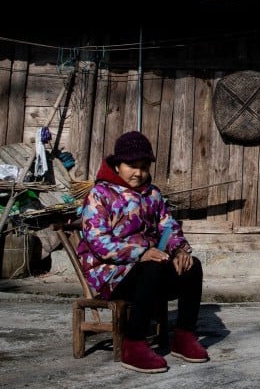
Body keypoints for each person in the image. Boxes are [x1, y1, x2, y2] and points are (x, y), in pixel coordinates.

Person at [77, 130, 209, 373]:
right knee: (151, 268)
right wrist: (140, 253)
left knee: (192, 266)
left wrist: (179, 250)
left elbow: (168, 227)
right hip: (111, 274)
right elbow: (98, 241)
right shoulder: (100, 195)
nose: (138, 173)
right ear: (117, 165)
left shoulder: (153, 194)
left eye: (144, 166)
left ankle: (183, 335)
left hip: (149, 270)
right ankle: (134, 343)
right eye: (132, 166)